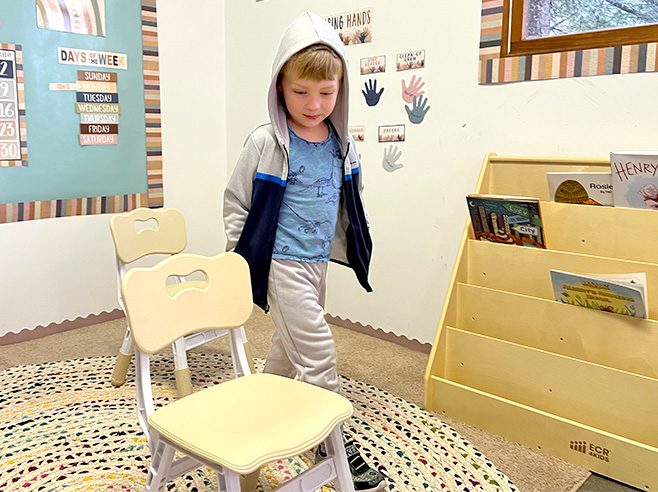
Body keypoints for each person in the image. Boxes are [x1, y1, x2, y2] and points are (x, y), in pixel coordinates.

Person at [223, 11, 385, 492]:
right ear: (279, 88)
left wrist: (356, 239)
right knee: (318, 351)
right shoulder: (268, 142)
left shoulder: (341, 143)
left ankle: (261, 403)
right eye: (301, 92)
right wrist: (240, 258)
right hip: (281, 263)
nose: (314, 104)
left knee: (287, 345)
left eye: (326, 93)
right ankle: (332, 443)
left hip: (316, 263)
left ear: (341, 90)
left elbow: (346, 200)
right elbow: (237, 201)